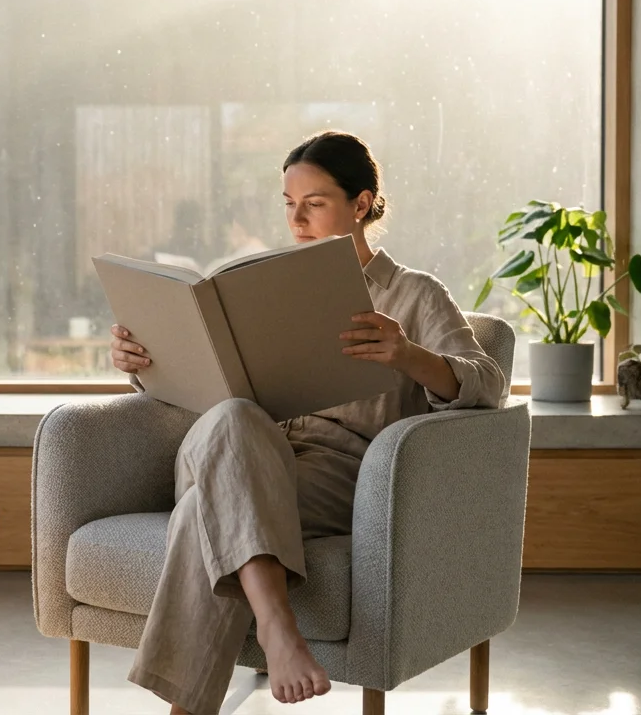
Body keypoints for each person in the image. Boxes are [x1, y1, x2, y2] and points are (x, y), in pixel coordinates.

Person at [108, 130, 507, 714]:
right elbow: (210, 386)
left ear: (361, 204)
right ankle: (278, 629)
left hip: (337, 478)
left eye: (314, 203)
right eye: (289, 204)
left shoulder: (414, 295)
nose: (297, 219)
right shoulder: (266, 287)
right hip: (234, 446)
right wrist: (144, 364)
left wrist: (408, 356)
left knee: (203, 510)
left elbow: (488, 383)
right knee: (236, 417)